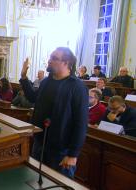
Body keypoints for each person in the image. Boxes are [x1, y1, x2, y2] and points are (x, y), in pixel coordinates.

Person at [20, 47, 88, 178]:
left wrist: (73, 154)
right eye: (50, 57)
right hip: (40, 142)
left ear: (67, 63)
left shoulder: (77, 86)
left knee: (58, 184)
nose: (49, 61)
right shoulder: (46, 81)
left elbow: (81, 123)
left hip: (61, 149)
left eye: (54, 58)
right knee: (35, 180)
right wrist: (24, 77)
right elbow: (33, 97)